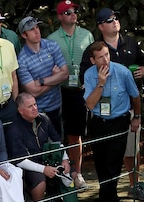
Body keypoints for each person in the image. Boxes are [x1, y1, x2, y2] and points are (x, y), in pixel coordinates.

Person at [84, 40, 141, 202]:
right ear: (93, 60)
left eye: (107, 55)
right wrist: (100, 83)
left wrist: (137, 117)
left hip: (119, 121)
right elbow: (90, 104)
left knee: (113, 163)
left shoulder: (123, 72)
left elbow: (135, 96)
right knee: (101, 164)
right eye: (100, 57)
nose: (105, 60)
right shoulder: (89, 75)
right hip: (99, 122)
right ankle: (112, 201)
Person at [94, 7, 144, 189]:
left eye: (115, 18)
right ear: (101, 26)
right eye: (109, 20)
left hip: (131, 105)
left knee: (133, 148)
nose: (115, 21)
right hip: (106, 110)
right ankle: (110, 190)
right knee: (109, 153)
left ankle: (135, 185)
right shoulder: (97, 49)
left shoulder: (131, 43)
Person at [47, 0, 93, 183]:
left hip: (79, 90)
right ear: (59, 17)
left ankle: (77, 172)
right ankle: (59, 173)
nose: (73, 14)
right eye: (67, 12)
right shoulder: (52, 38)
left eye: (74, 11)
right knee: (56, 133)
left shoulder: (87, 35)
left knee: (75, 134)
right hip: (58, 90)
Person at [7, 94, 70, 202]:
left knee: (73, 173)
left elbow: (57, 141)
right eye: (30, 106)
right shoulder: (14, 128)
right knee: (39, 181)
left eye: (35, 104)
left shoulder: (44, 119)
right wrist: (44, 169)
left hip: (47, 159)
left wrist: (65, 159)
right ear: (20, 110)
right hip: (26, 166)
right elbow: (19, 159)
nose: (35, 108)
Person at [16, 16, 68, 133]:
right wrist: (55, 78)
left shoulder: (52, 46)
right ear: (24, 35)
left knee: (58, 143)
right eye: (31, 30)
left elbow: (65, 74)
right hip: (38, 110)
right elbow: (33, 92)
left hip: (56, 106)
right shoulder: (22, 60)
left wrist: (41, 81)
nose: (36, 31)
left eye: (37, 27)